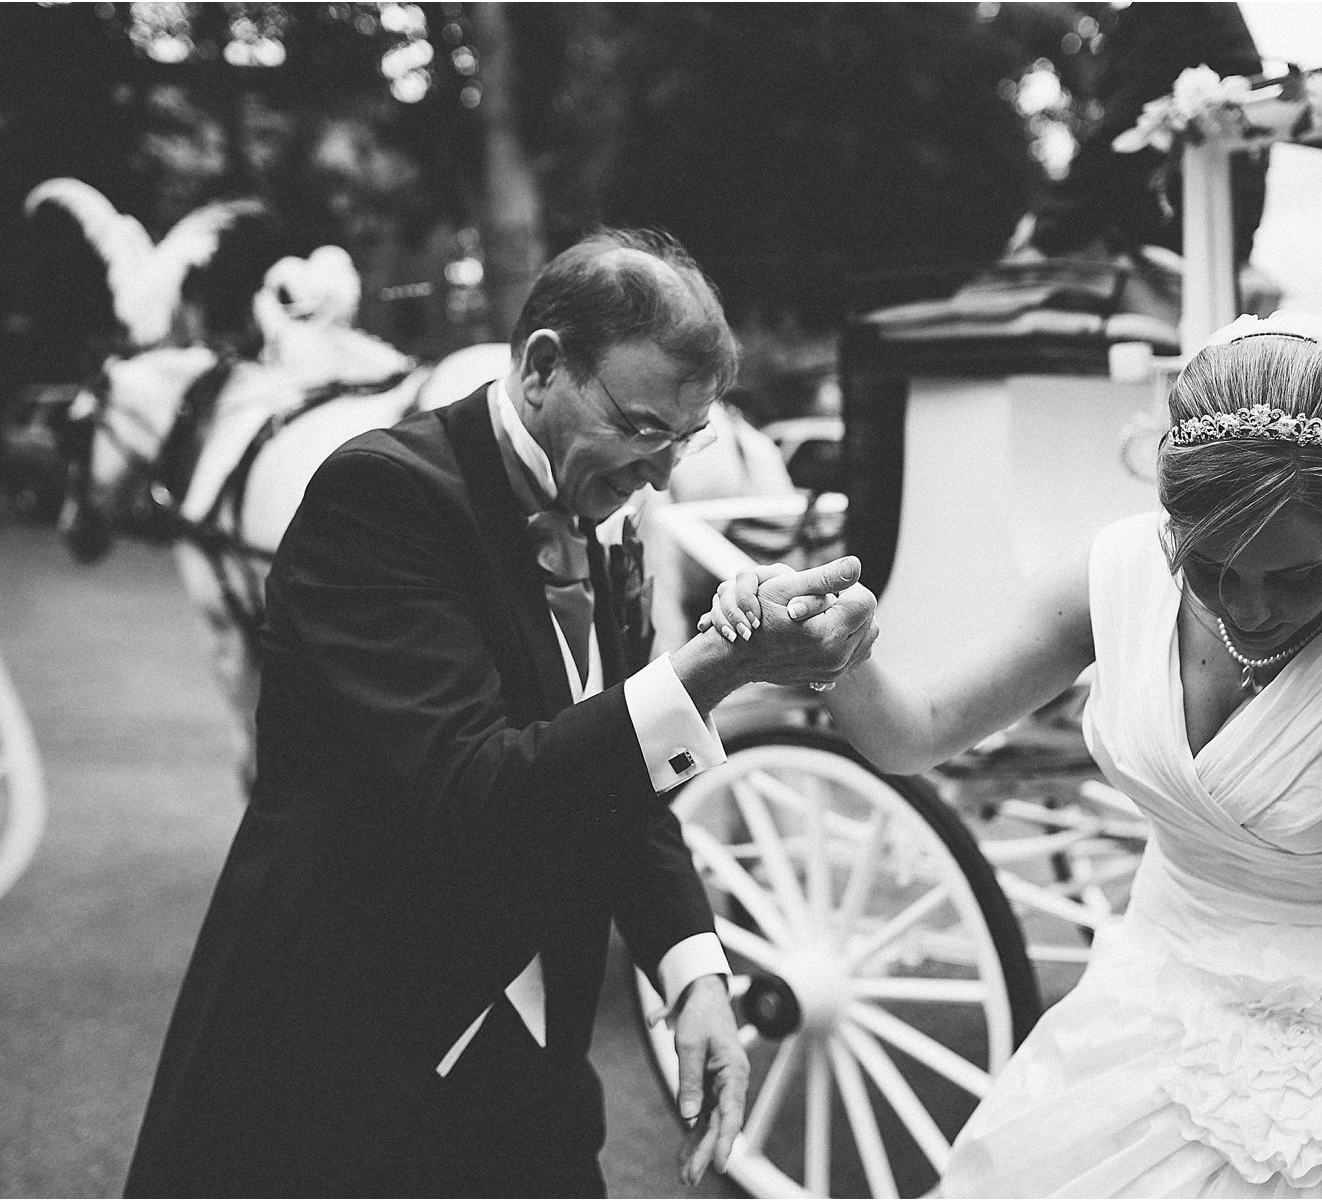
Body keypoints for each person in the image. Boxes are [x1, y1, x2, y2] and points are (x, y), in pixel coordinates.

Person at [703, 312, 1322, 1197]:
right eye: (1213, 567)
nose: (1250, 608)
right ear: (1170, 516)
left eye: (1296, 575)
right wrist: (845, 655)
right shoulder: (1117, 572)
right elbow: (916, 732)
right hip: (1149, 1008)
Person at [123, 228, 878, 1197]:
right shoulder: (382, 494)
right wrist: (711, 672)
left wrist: (692, 972)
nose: (659, 473)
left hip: (531, 1075)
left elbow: (616, 781)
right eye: (644, 427)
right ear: (540, 367)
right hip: (352, 1056)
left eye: (685, 442)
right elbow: (472, 785)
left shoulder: (607, 513)